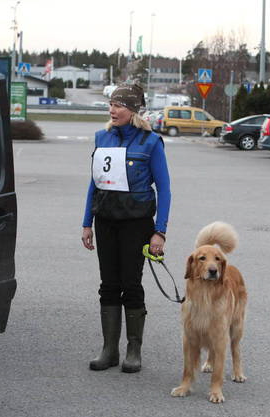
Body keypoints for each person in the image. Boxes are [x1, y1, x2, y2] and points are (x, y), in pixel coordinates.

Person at [81, 83, 171, 373]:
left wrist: (160, 231)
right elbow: (93, 184)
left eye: (118, 105)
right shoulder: (102, 137)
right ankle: (109, 350)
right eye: (111, 104)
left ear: (133, 110)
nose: (112, 110)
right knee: (108, 284)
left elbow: (165, 190)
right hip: (105, 220)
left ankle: (134, 349)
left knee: (131, 284)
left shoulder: (150, 142)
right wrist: (86, 223)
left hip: (136, 222)